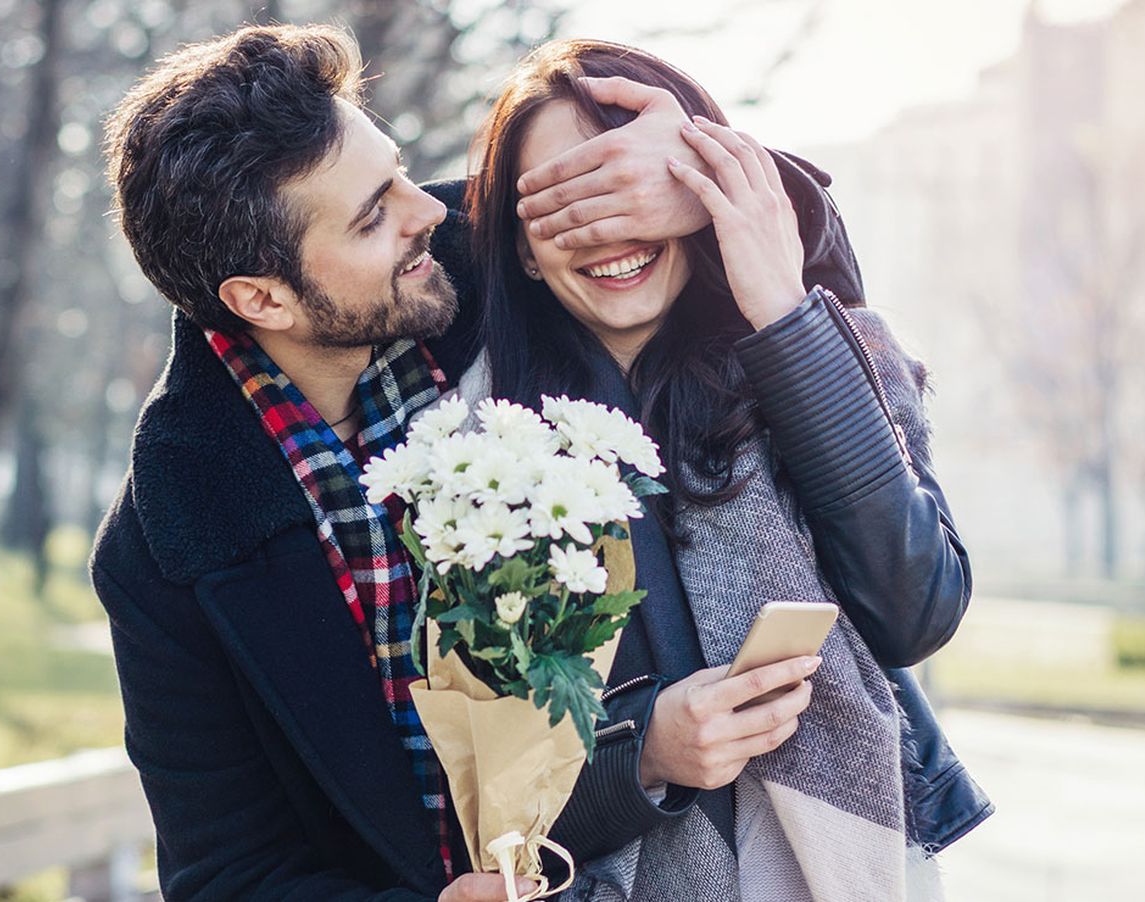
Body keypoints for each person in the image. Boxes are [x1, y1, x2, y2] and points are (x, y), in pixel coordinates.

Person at [91, 23, 853, 901]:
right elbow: (224, 875)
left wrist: (692, 170)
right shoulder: (169, 544)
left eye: (399, 172)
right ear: (262, 298)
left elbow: (791, 243)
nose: (429, 212)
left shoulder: (498, 265)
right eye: (374, 216)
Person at [448, 40, 994, 900]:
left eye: (635, 188)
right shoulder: (471, 457)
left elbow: (915, 608)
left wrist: (780, 309)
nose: (611, 227)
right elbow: (484, 802)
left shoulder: (825, 356)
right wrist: (648, 754)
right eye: (566, 200)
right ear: (517, 246)